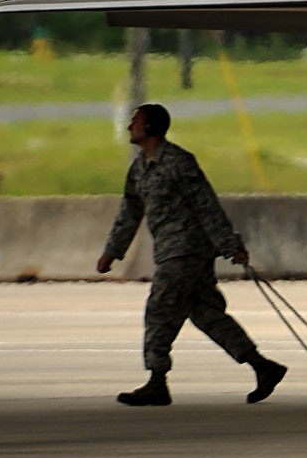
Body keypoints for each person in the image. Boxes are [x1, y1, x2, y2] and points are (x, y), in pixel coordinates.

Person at [96, 103, 286, 406]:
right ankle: (263, 367)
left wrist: (230, 244)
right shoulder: (139, 168)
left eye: (136, 121)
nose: (129, 126)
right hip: (172, 251)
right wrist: (113, 251)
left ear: (151, 128)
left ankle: (157, 380)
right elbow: (129, 212)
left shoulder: (179, 162)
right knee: (207, 314)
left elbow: (206, 204)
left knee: (160, 309)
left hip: (186, 251)